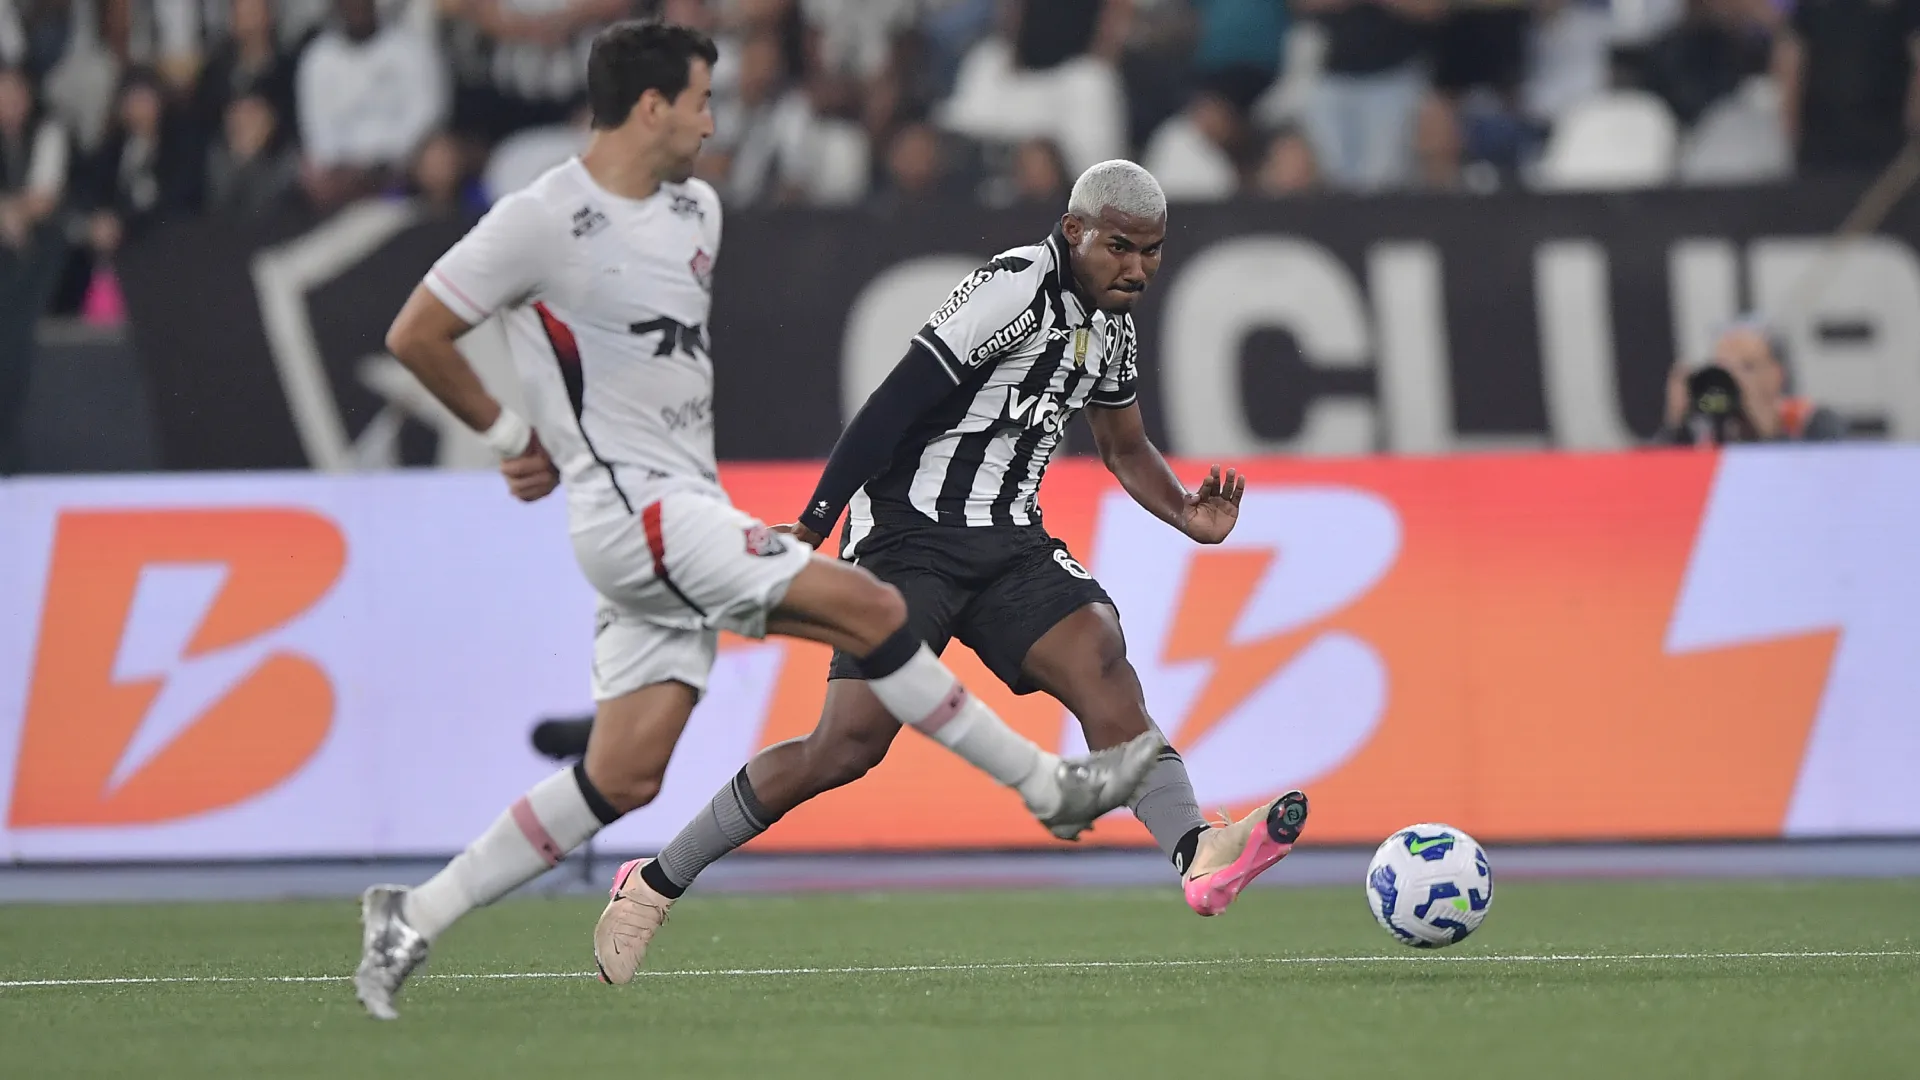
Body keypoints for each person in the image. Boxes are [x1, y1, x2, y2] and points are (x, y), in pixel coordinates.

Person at [356, 20, 1159, 1021]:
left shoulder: (698, 211)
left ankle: (411, 914)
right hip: (635, 512)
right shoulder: (539, 219)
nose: (711, 117)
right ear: (649, 107)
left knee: (623, 774)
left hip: (685, 502)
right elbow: (416, 333)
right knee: (871, 610)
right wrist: (508, 430)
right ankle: (1049, 787)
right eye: (699, 98)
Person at [615, 159, 1312, 982]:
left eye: (1152, 252)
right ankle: (651, 885)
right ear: (1075, 229)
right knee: (846, 746)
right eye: (1121, 247)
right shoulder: (1018, 284)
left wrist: (1186, 512)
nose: (1137, 268)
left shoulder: (1112, 326)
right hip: (907, 540)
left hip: (1011, 542)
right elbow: (895, 401)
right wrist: (811, 522)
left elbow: (1124, 447)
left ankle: (1198, 851)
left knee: (1100, 656)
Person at [1660, 317, 1846, 444]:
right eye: (1724, 369)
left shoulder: (1812, 421)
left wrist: (1766, 427)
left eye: (1747, 366)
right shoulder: (1708, 433)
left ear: (1777, 373)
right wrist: (1677, 425)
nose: (1734, 380)